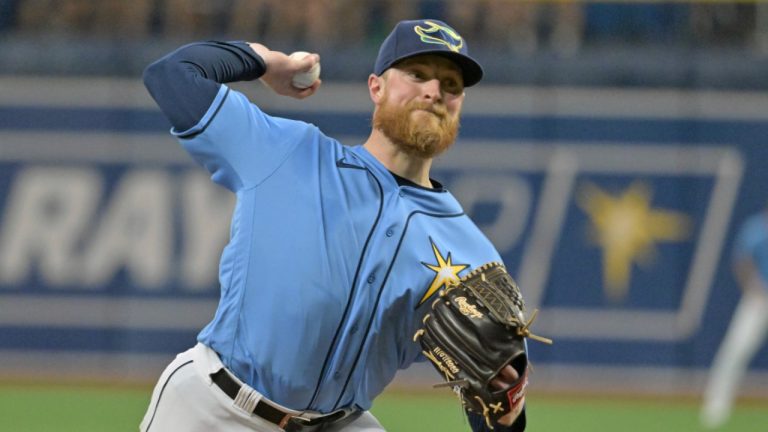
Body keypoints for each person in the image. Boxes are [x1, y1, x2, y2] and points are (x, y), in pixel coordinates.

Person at [140, 18, 528, 431]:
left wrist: (505, 408)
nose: (434, 91)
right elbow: (171, 76)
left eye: (451, 84)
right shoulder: (288, 153)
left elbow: (493, 413)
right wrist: (266, 61)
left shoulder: (473, 254)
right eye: (417, 74)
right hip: (216, 406)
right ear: (376, 87)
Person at [701, 204, 768, 428]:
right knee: (735, 349)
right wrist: (751, 286)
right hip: (759, 298)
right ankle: (716, 407)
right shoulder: (755, 228)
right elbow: (741, 261)